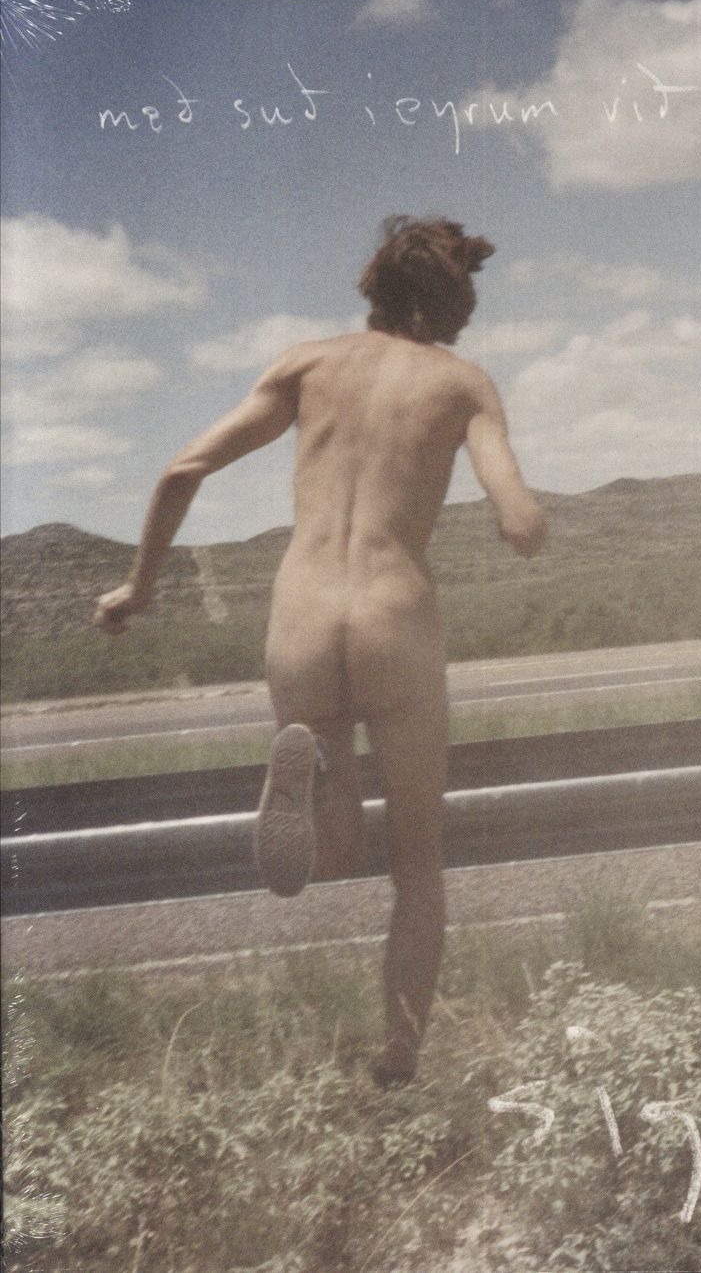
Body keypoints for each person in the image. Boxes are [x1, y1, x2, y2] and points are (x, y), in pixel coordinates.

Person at [94, 215, 547, 1085]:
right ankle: (399, 1062)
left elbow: (181, 471)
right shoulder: (463, 384)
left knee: (332, 847)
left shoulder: (306, 365)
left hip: (300, 619)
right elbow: (519, 521)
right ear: (454, 301)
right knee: (417, 863)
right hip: (394, 620)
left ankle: (315, 783)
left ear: (377, 288)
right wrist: (529, 525)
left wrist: (138, 590)